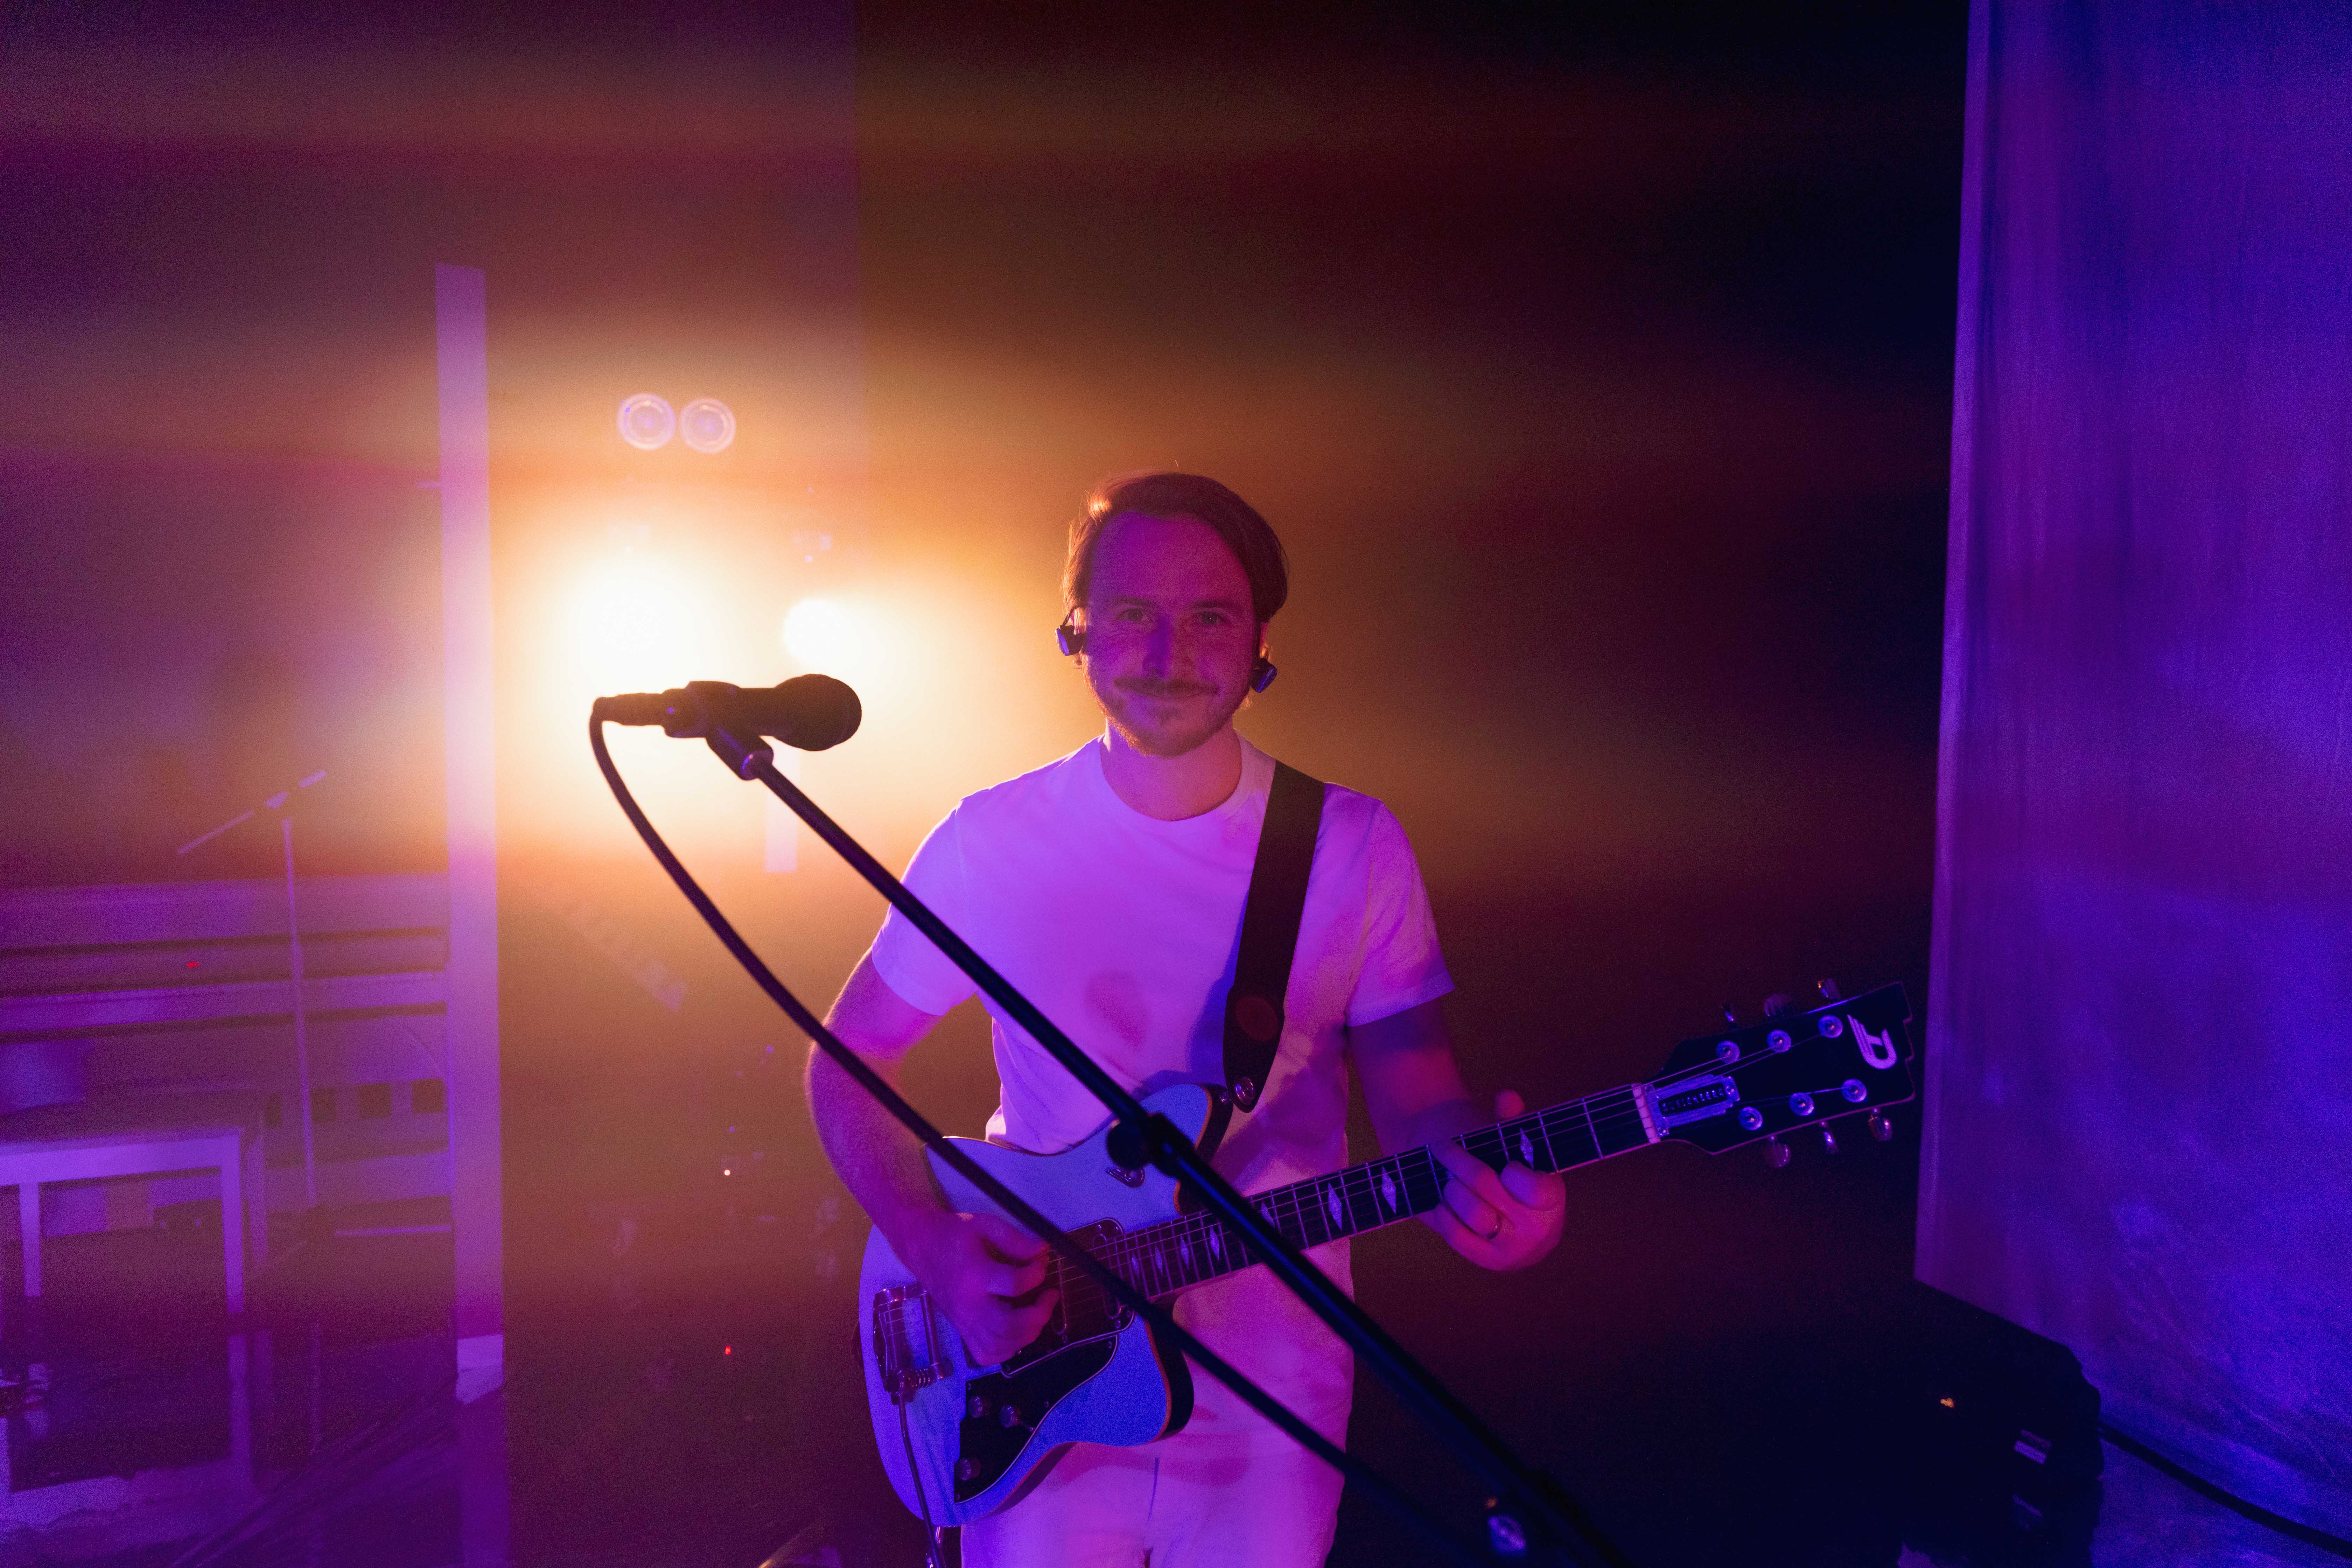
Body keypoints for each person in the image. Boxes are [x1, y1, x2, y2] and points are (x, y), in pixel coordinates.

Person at [807, 471, 1566, 1567]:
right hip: (1042, 1374)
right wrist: (933, 1248)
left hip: (1277, 1400)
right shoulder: (989, 840)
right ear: (1076, 632)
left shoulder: (1349, 845)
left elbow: (1420, 1103)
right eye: (1132, 614)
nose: (1169, 651)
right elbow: (847, 1063)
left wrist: (1497, 1206)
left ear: (1261, 643)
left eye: (1210, 616)